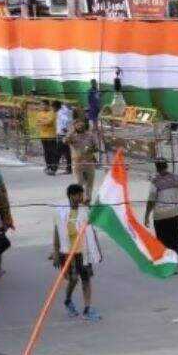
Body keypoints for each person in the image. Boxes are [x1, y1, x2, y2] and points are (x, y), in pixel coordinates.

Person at [54, 183, 104, 322]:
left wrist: (97, 250)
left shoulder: (84, 210)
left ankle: (87, 308)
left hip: (84, 251)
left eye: (81, 194)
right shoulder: (62, 212)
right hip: (69, 252)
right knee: (73, 279)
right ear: (71, 195)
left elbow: (92, 227)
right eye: (78, 194)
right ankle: (68, 300)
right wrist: (56, 252)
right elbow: (57, 232)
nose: (80, 197)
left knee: (86, 279)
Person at [144, 159, 178, 256]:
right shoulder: (175, 178)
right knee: (174, 239)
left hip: (160, 216)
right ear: (167, 166)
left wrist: (146, 216)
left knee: (162, 240)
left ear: (157, 168)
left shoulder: (155, 181)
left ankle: (166, 262)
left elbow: (151, 201)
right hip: (174, 214)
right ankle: (174, 261)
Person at [65, 119, 101, 196]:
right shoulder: (72, 136)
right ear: (74, 126)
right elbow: (65, 141)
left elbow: (97, 148)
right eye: (77, 125)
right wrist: (71, 133)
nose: (80, 126)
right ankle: (79, 197)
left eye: (81, 125)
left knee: (89, 183)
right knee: (79, 182)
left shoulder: (90, 135)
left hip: (89, 162)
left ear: (85, 125)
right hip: (77, 163)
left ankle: (88, 199)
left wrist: (90, 149)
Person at [54, 100, 75, 175]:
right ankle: (69, 168)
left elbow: (65, 120)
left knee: (58, 151)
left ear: (56, 107)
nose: (53, 110)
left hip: (62, 134)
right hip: (67, 133)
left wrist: (64, 128)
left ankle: (54, 168)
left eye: (53, 108)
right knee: (67, 152)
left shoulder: (61, 112)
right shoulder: (68, 111)